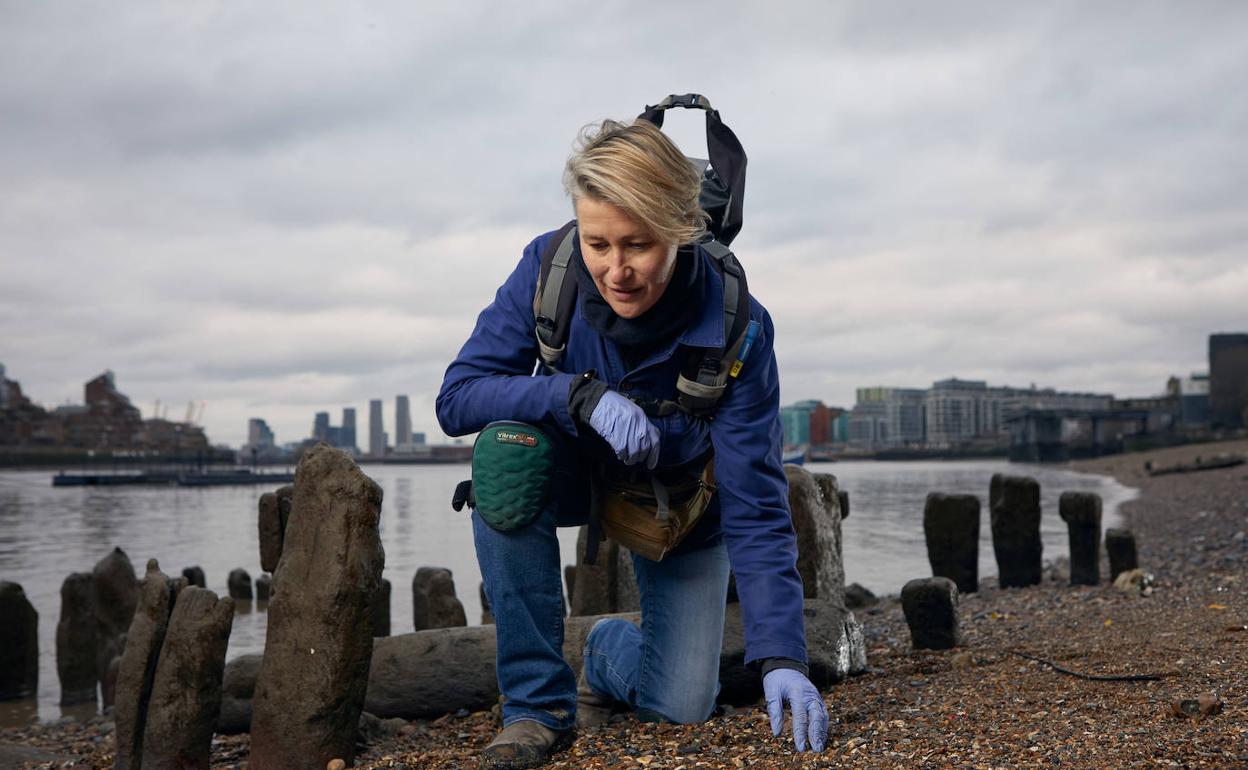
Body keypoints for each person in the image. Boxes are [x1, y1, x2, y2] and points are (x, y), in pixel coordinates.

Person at [436, 115, 828, 770]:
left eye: (638, 245)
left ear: (682, 230)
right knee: (504, 453)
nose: (615, 270)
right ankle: (537, 708)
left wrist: (784, 657)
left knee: (679, 709)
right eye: (598, 243)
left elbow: (756, 505)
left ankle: (604, 650)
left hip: (676, 502)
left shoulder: (739, 327)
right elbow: (458, 398)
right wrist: (574, 396)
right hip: (568, 472)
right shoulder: (548, 269)